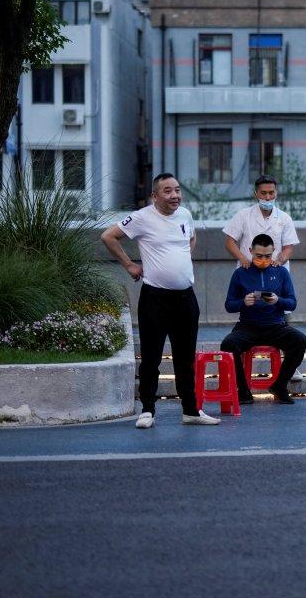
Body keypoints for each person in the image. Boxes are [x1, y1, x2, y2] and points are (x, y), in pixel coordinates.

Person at [101, 173, 219, 429]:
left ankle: (191, 410)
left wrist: (179, 261)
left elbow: (191, 239)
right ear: (155, 196)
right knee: (152, 357)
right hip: (155, 298)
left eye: (177, 190)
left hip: (186, 298)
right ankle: (147, 410)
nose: (175, 195)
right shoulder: (142, 217)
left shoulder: (185, 214)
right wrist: (130, 265)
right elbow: (108, 236)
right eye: (168, 191)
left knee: (185, 358)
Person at [220, 233, 306, 405]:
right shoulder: (240, 274)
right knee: (228, 345)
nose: (263, 259)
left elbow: (292, 302)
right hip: (248, 327)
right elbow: (229, 305)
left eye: (268, 256)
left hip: (275, 326)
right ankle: (243, 391)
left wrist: (278, 301)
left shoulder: (281, 272)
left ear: (274, 251)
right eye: (259, 256)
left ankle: (279, 386)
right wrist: (243, 302)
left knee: (300, 340)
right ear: (250, 251)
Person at [223, 174, 299, 268]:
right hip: (248, 270)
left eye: (271, 193)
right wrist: (243, 259)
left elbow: (288, 247)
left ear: (276, 193)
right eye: (263, 193)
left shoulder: (285, 218)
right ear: (256, 194)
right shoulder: (243, 215)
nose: (268, 197)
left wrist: (280, 260)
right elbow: (229, 242)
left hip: (276, 270)